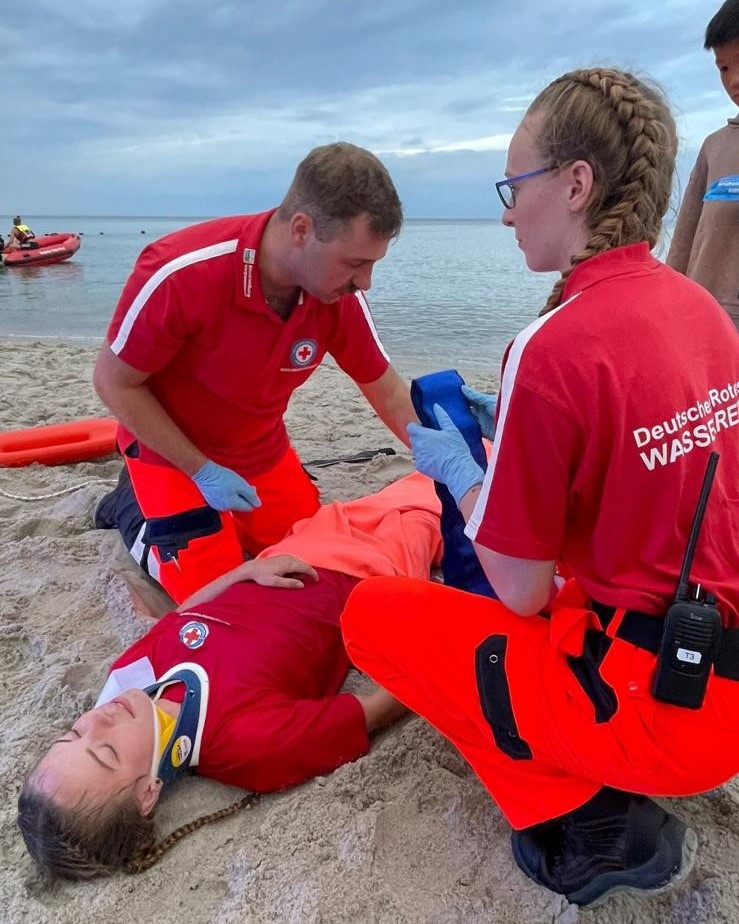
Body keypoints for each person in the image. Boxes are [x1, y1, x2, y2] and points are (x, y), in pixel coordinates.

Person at [341, 67, 739, 908]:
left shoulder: (552, 342)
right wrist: (514, 448)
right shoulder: (700, 310)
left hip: (652, 706)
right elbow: (653, 483)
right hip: (716, 671)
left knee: (370, 618)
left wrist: (464, 477)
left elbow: (516, 591)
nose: (505, 210)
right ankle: (607, 770)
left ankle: (590, 823)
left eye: (513, 186)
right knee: (562, 597)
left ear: (575, 185)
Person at [17, 472, 441, 880]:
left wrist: (242, 573)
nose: (98, 720)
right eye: (106, 752)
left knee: (430, 472)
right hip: (370, 568)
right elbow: (377, 708)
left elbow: (180, 619)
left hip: (296, 548)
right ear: (148, 792)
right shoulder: (249, 745)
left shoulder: (129, 681)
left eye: (73, 733)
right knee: (452, 486)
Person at [92, 142, 418, 604]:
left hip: (259, 449)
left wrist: (440, 454)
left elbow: (385, 388)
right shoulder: (182, 273)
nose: (364, 282)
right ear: (302, 229)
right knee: (219, 593)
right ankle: (129, 503)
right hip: (173, 453)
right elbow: (112, 382)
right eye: (356, 262)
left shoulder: (335, 297)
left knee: (315, 568)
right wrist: (201, 470)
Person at [666, 0, 739, 329]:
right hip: (707, 326)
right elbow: (683, 243)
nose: (733, 80)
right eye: (723, 68)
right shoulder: (716, 147)